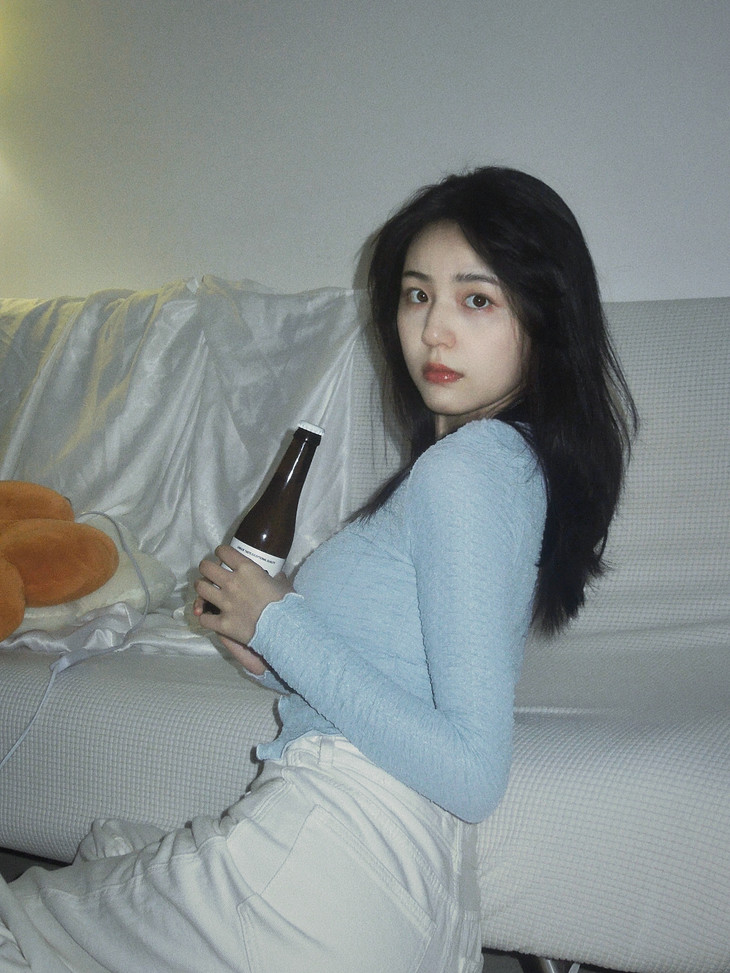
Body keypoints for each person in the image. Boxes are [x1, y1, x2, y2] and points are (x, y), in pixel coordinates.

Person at [0, 166, 636, 972]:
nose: (434, 330)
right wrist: (269, 652)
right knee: (106, 877)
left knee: (26, 921)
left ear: (545, 318)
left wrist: (278, 617)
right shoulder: (507, 466)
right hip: (406, 901)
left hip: (322, 863)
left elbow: (472, 771)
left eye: (477, 299)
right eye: (417, 295)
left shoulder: (465, 472)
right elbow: (401, 679)